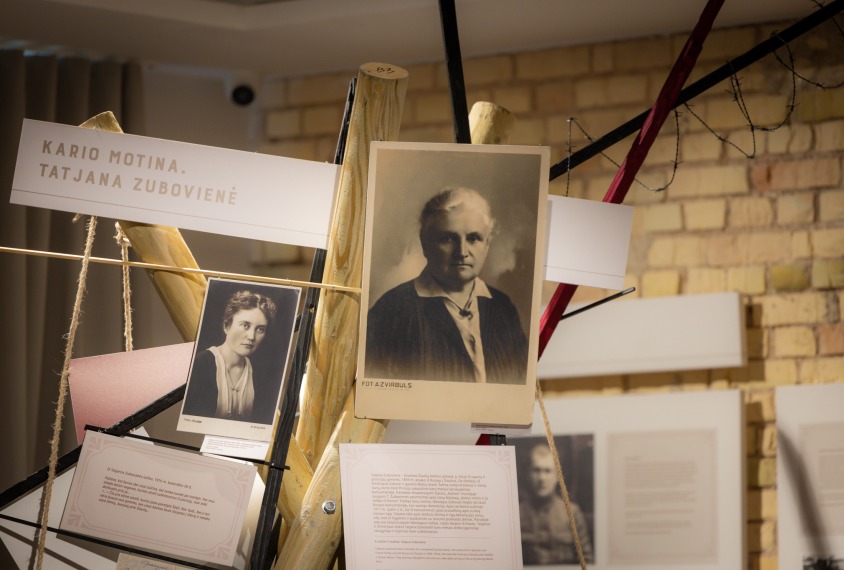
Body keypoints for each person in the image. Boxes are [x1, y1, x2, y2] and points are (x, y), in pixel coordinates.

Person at [365, 187, 528, 384]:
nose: (462, 252)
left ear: (487, 244)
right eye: (448, 238)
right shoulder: (391, 312)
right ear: (425, 244)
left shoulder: (503, 307)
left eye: (473, 238)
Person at [183, 289, 277, 422]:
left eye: (260, 329)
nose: (251, 337)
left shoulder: (260, 374)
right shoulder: (200, 364)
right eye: (245, 325)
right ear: (226, 326)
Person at [520, 443, 594, 565]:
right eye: (536, 470)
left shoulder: (572, 513)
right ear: (528, 475)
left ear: (557, 476)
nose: (542, 478)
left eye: (547, 471)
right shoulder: (517, 515)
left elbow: (587, 561)